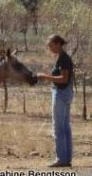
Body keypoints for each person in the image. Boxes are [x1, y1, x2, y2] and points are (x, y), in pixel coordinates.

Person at [37, 34, 74, 168]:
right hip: (65, 93)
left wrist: (45, 77)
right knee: (65, 126)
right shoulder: (61, 57)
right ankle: (66, 159)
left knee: (59, 127)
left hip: (62, 93)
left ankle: (61, 160)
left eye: (51, 45)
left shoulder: (64, 59)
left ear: (58, 43)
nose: (50, 48)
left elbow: (64, 79)